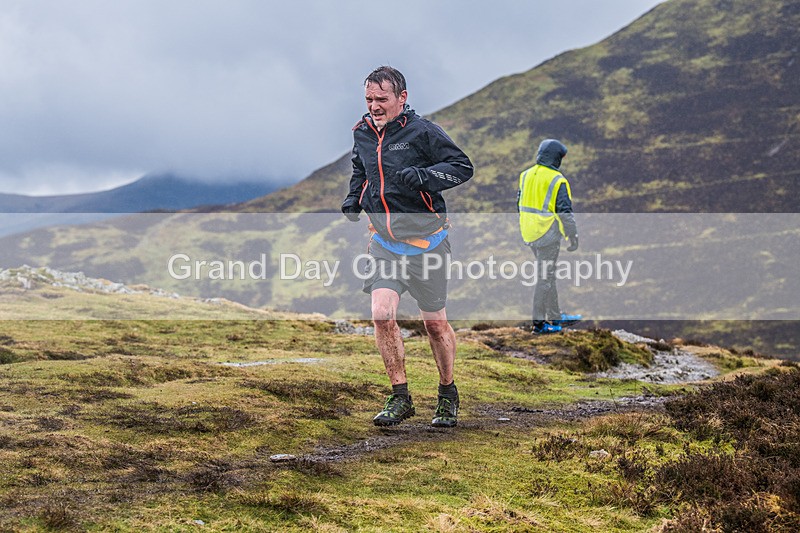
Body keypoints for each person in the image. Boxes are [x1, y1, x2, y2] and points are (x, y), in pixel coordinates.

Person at [342, 66, 473, 427]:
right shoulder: (362, 132)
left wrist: (426, 178)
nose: (374, 106)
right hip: (385, 243)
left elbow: (463, 167)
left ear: (402, 97)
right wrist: (355, 197)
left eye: (381, 99)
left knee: (435, 325)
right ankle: (400, 397)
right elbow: (361, 167)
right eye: (369, 99)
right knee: (382, 314)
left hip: (428, 245)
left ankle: (447, 394)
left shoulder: (423, 132)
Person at [518, 139, 582, 334]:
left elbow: (518, 203)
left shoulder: (525, 174)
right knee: (545, 278)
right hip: (547, 235)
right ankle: (538, 325)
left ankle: (555, 316)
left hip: (529, 233)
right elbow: (565, 212)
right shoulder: (557, 180)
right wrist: (573, 235)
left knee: (548, 275)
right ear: (556, 158)